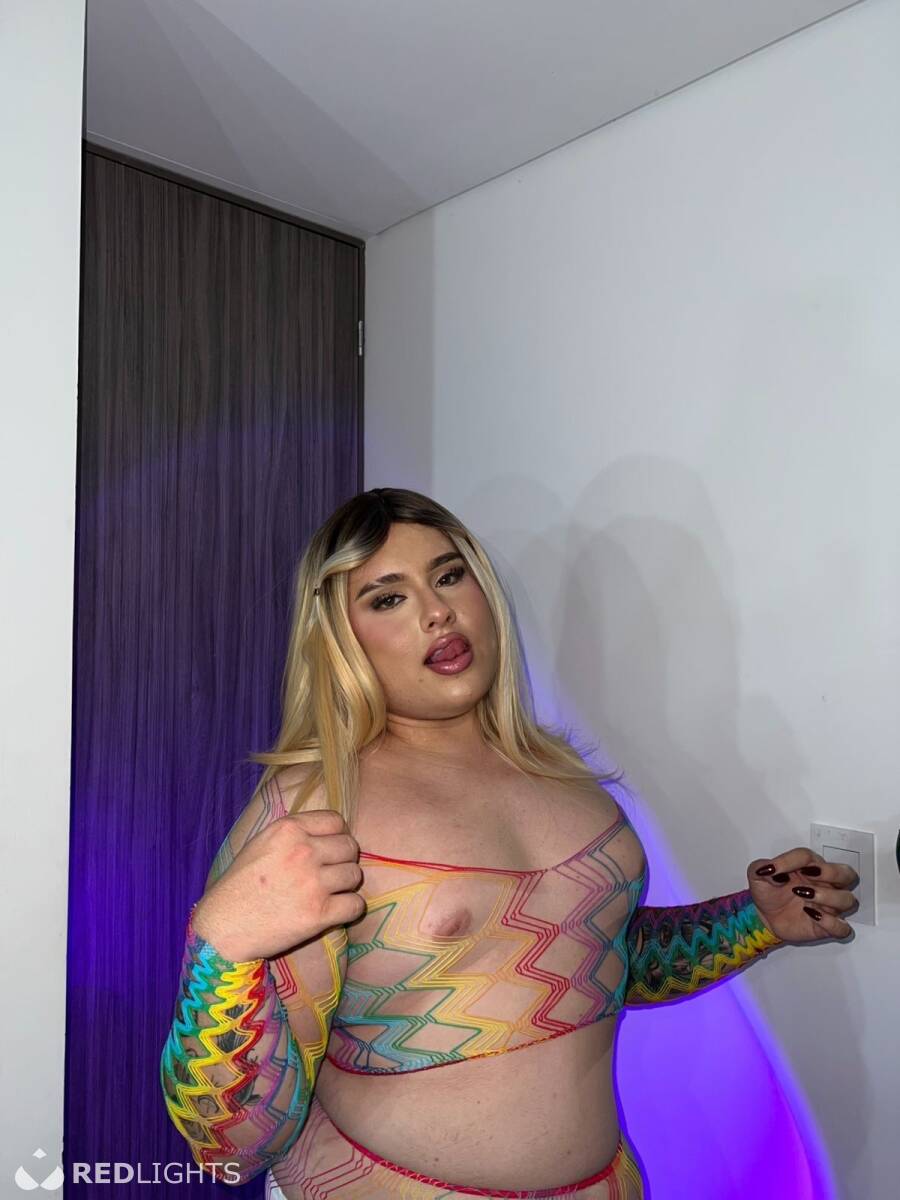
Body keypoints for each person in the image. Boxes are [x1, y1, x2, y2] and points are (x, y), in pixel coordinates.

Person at [160, 487, 858, 1199]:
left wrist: (751, 922)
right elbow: (232, 1144)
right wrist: (221, 950)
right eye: (388, 598)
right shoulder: (319, 806)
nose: (437, 611)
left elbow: (595, 962)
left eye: (448, 575)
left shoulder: (560, 769)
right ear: (340, 639)